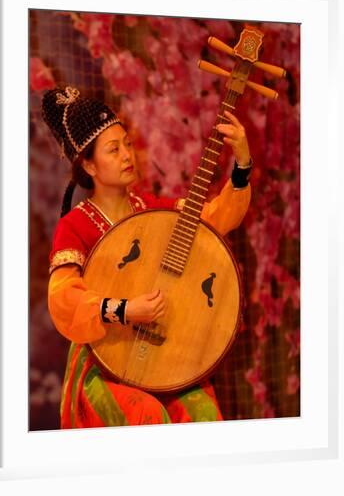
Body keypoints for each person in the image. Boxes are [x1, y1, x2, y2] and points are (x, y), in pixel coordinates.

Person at [42, 85, 252, 429]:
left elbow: (211, 222)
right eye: (113, 149)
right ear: (90, 165)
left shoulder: (149, 210)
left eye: (127, 144)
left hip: (164, 359)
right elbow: (63, 299)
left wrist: (242, 164)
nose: (128, 155)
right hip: (103, 363)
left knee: (203, 413)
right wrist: (126, 309)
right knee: (146, 415)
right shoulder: (75, 225)